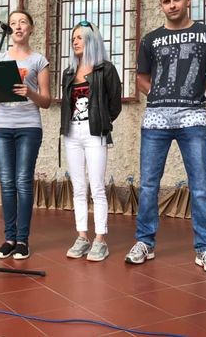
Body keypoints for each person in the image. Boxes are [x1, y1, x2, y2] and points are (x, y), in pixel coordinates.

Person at [125, 0, 206, 274]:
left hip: (193, 118)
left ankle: (205, 248)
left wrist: (199, 95)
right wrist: (157, 95)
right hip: (155, 118)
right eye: (167, 1)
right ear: (161, 5)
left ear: (188, 0)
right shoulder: (150, 39)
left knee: (199, 186)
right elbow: (141, 77)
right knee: (148, 185)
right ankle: (145, 242)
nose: (172, 5)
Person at [0, 10, 51, 260]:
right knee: (6, 181)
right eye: (13, 23)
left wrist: (30, 92)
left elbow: (46, 101)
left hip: (28, 126)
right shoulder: (0, 58)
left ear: (31, 28)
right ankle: (9, 238)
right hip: (1, 126)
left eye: (22, 22)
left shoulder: (39, 60)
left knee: (23, 181)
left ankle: (23, 240)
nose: (17, 26)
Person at [60, 21, 122, 262]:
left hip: (95, 132)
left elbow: (114, 105)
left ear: (92, 40)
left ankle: (100, 240)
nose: (75, 41)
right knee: (78, 187)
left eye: (80, 37)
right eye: (73, 38)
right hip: (71, 134)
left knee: (96, 187)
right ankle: (82, 236)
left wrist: (101, 121)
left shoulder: (106, 69)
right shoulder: (68, 72)